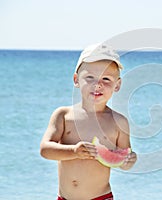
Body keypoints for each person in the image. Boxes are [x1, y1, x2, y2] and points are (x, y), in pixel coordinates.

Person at [40, 43, 137, 200]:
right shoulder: (63, 115)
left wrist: (129, 160)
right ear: (76, 80)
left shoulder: (119, 122)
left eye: (106, 79)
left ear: (117, 85)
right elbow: (45, 150)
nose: (97, 84)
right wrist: (73, 151)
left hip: (101, 197)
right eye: (89, 77)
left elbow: (124, 160)